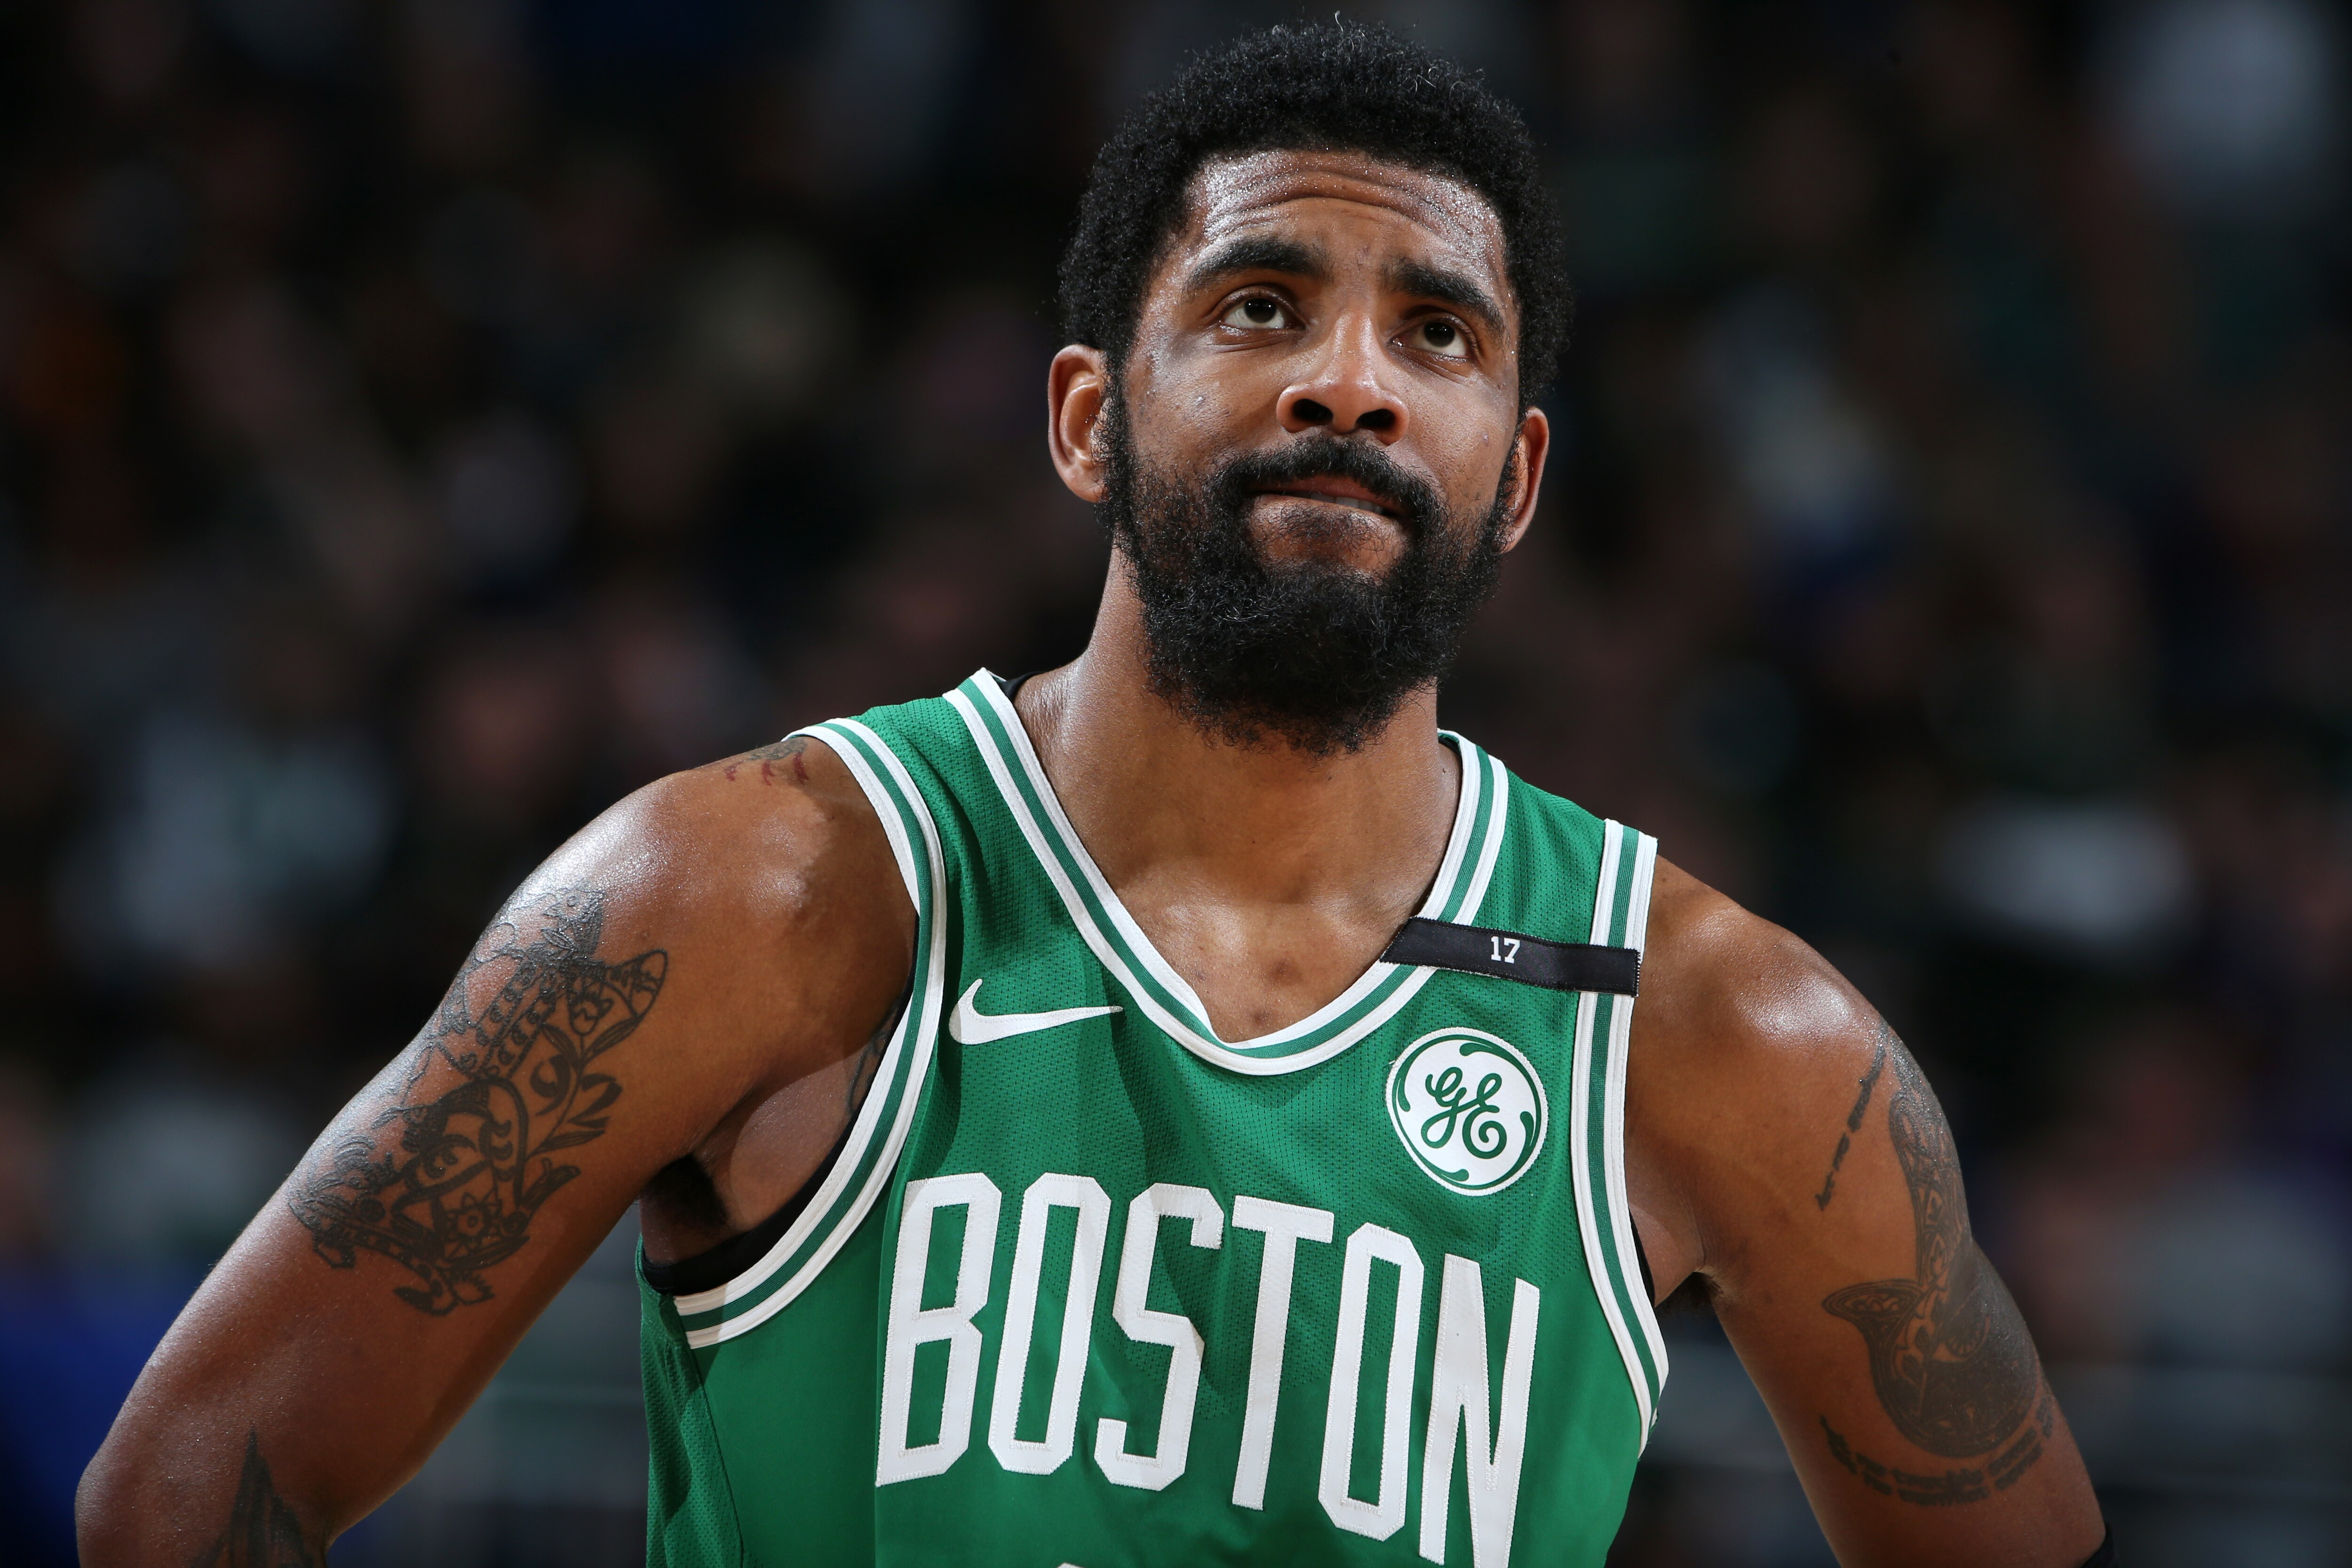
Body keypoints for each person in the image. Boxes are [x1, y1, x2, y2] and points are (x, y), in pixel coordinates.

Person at [79, 23, 2113, 1568]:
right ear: (1084, 419)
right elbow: (189, 1487)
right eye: (1259, 307)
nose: (1347, 380)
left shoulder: (1719, 1035)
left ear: (1513, 479)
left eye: (1435, 333)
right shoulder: (745, 893)